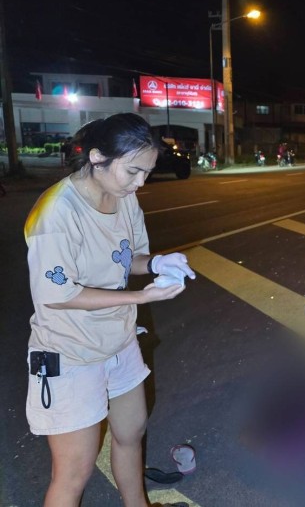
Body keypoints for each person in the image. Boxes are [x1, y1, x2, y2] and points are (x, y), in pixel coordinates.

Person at [24, 113, 196, 507]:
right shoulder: (56, 212)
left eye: (147, 172)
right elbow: (58, 294)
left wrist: (158, 263)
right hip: (69, 352)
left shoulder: (124, 198)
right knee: (73, 473)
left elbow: (128, 258)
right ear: (98, 157)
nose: (140, 183)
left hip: (118, 341)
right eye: (133, 171)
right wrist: (140, 299)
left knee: (131, 433)